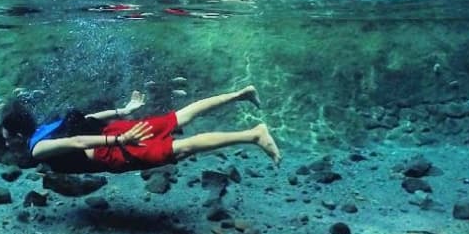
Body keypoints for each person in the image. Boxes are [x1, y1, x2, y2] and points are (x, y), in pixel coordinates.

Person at [29, 86, 280, 173]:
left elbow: (78, 142)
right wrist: (123, 112)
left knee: (183, 147)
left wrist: (120, 140)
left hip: (113, 147)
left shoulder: (36, 149)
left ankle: (253, 134)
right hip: (114, 130)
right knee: (181, 116)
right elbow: (87, 118)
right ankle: (241, 94)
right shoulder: (42, 129)